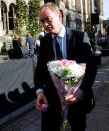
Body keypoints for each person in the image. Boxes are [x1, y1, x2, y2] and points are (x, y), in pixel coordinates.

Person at [34, 2, 97, 131]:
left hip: (76, 102)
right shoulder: (44, 42)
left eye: (48, 19)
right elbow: (39, 72)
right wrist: (40, 92)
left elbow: (91, 67)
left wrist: (81, 90)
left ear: (59, 16)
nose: (45, 25)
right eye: (42, 21)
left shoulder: (79, 37)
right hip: (51, 103)